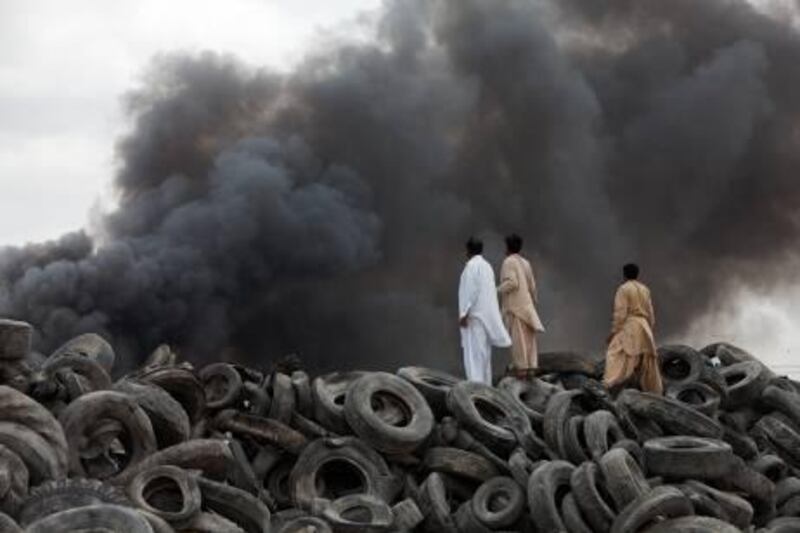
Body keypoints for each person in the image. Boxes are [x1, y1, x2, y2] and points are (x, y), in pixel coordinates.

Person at [603, 263, 663, 395]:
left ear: (624, 275)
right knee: (643, 360)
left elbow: (620, 313)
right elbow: (651, 313)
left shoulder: (623, 289)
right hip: (644, 326)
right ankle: (651, 390)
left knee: (614, 354)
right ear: (637, 274)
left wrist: (614, 332)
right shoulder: (645, 289)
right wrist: (649, 329)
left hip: (630, 325)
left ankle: (609, 386)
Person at [458, 237, 511, 384]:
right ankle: (486, 388)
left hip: (473, 318)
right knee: (484, 356)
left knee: (474, 357)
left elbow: (471, 292)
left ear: (468, 251)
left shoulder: (471, 267)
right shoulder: (487, 266)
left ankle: (476, 389)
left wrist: (464, 313)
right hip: (485, 318)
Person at [497, 234, 545, 380]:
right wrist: (532, 304)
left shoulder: (508, 262)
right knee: (529, 340)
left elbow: (512, 283)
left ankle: (521, 372)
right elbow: (532, 287)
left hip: (515, 308)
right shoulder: (526, 263)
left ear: (507, 247)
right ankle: (531, 369)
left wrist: (495, 289)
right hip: (527, 307)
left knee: (519, 341)